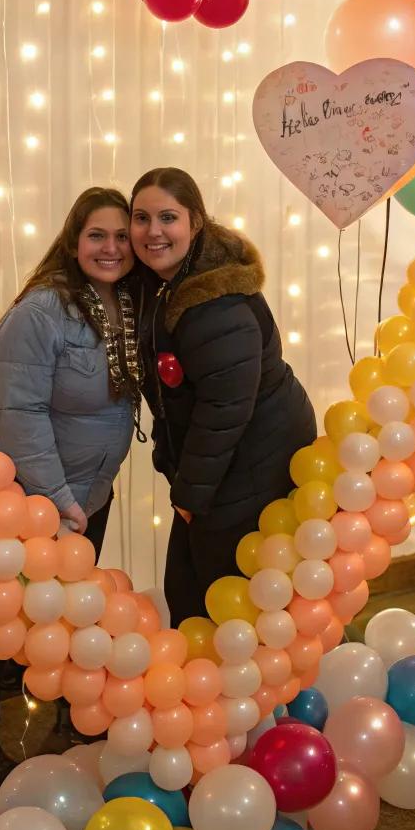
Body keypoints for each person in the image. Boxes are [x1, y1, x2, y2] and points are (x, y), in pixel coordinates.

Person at [0, 187, 143, 785]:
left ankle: (71, 717)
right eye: (98, 235)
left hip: (93, 491)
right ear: (73, 240)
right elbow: (21, 414)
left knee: (75, 612)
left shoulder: (128, 303)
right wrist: (57, 499)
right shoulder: (41, 313)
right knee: (5, 616)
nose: (111, 248)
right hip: (40, 497)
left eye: (122, 236)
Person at [130, 167, 317, 628]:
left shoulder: (215, 305)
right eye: (141, 218)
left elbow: (224, 410)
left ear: (195, 222)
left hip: (254, 459)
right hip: (226, 461)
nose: (153, 231)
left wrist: (190, 494)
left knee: (227, 602)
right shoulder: (169, 281)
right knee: (192, 590)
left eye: (167, 217)